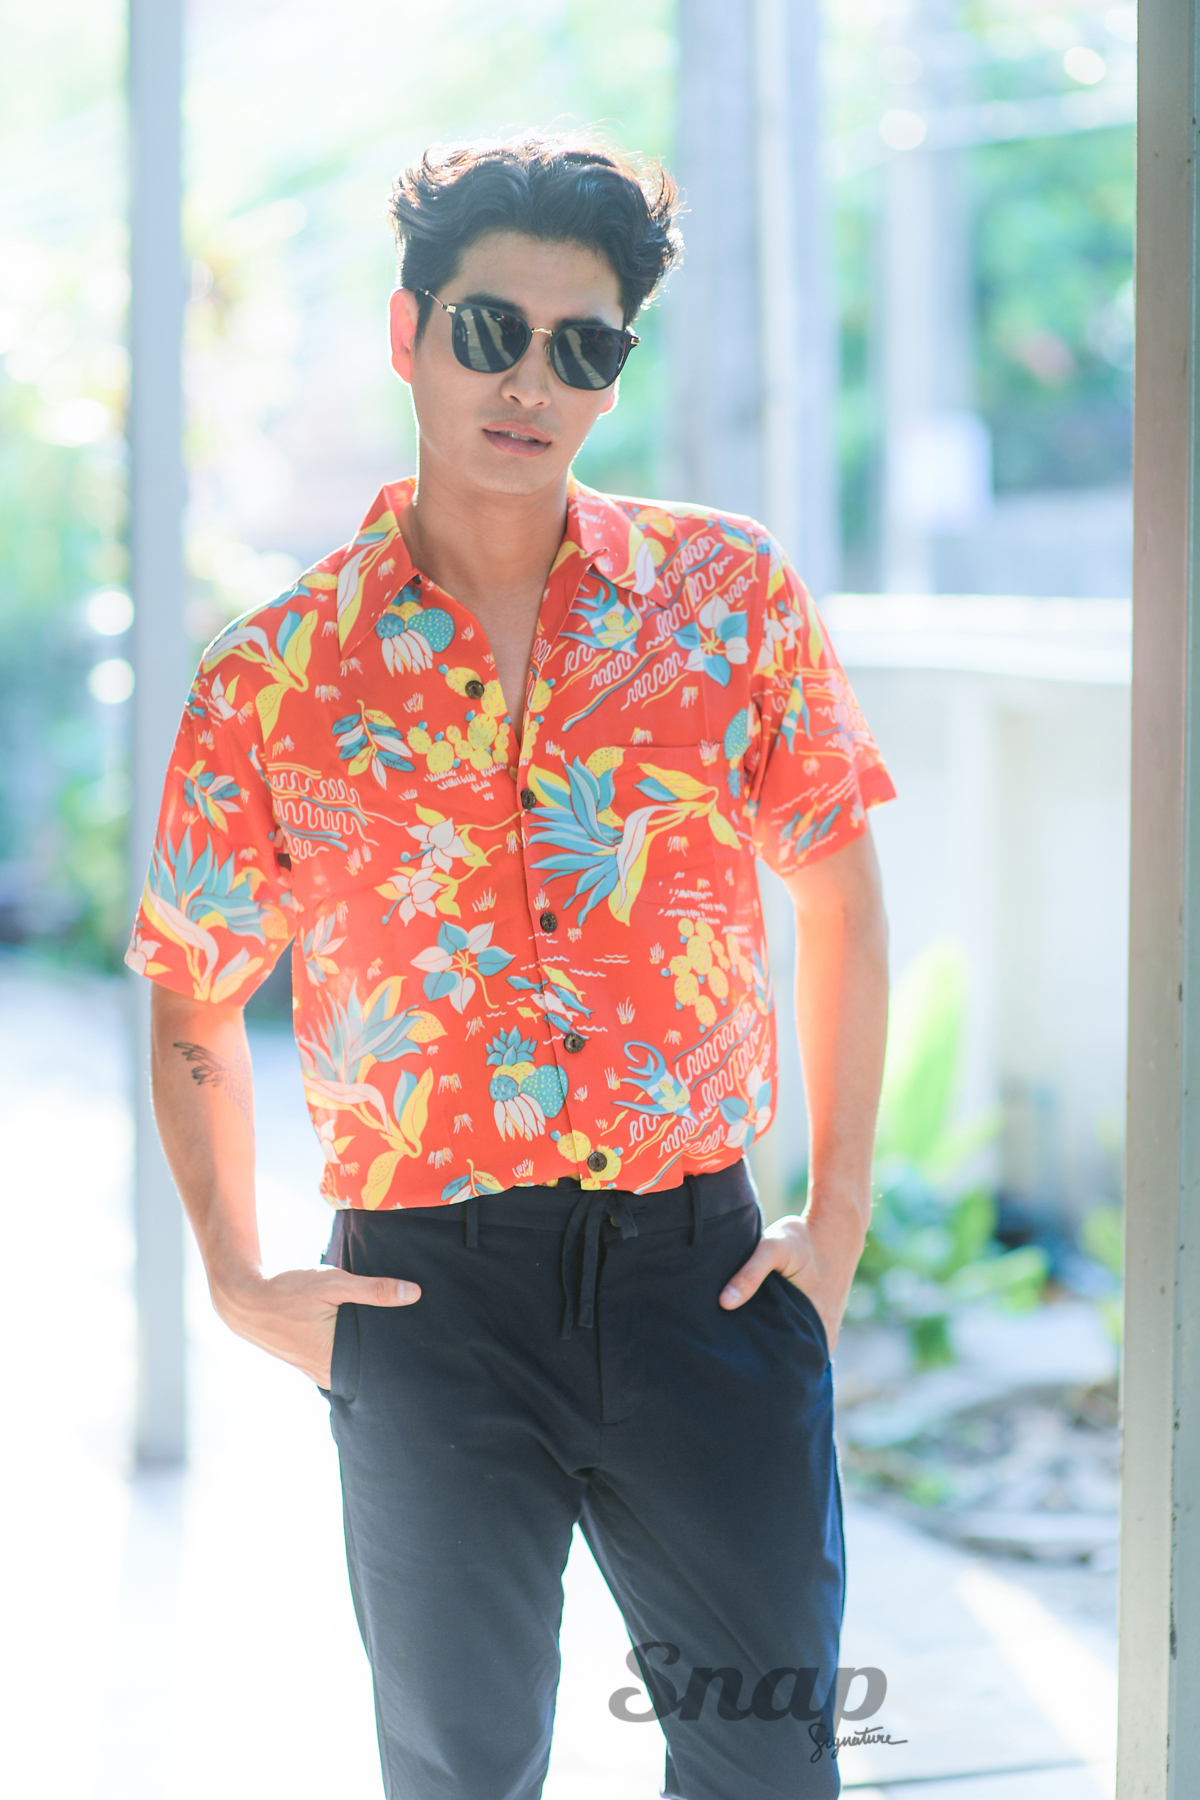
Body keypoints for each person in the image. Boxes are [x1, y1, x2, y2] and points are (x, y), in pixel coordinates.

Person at [129, 134, 894, 1800]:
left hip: (702, 1279)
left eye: (583, 345)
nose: (530, 381)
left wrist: (834, 1218)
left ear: (616, 371)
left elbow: (838, 894)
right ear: (408, 333)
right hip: (428, 1301)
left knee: (769, 1765)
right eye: (491, 331)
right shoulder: (276, 673)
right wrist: (238, 1273)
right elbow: (195, 990)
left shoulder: (727, 598)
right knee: (460, 1773)